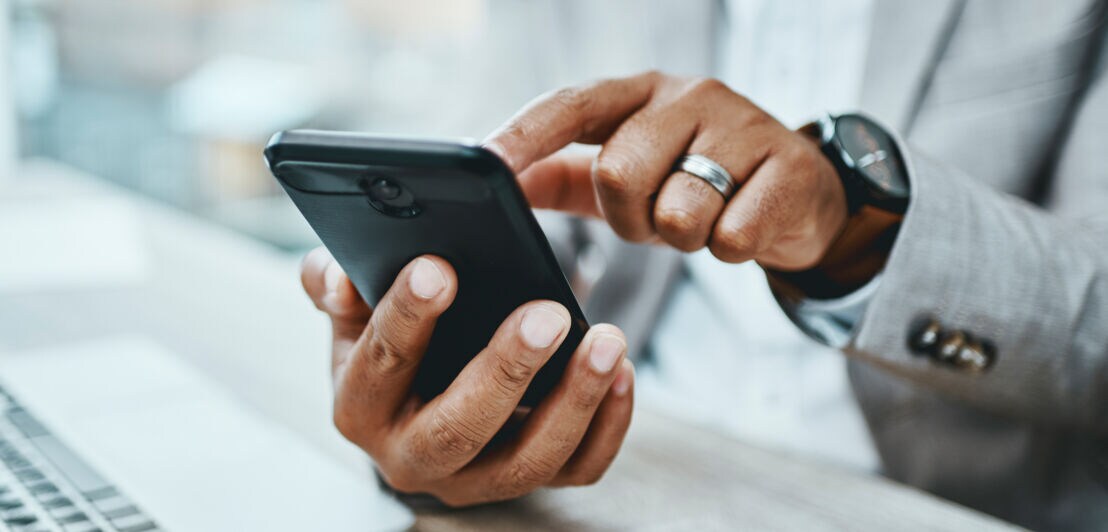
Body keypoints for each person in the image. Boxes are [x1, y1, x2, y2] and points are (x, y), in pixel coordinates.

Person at [300, 1, 1108, 529]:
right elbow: (498, 179)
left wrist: (847, 226)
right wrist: (443, 405)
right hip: (616, 482)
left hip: (948, 503)